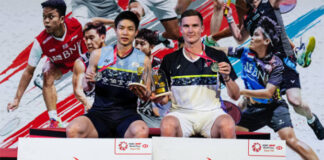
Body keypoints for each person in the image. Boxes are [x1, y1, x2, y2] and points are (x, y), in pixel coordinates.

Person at [217, 0, 324, 140]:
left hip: (283, 60)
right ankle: (229, 133)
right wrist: (229, 17)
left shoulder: (270, 3)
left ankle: (311, 119)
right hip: (264, 67)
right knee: (245, 102)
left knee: (295, 101)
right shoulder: (248, 19)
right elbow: (239, 37)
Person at [228, 17, 318, 160]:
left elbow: (268, 93)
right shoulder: (247, 52)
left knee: (291, 134)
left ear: (266, 41)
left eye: (256, 35)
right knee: (230, 135)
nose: (252, 37)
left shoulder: (275, 63)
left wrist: (241, 92)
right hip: (254, 107)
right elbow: (230, 44)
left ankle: (312, 121)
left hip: (275, 104)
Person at [156, 10, 240, 138]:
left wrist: (227, 78)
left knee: (228, 125)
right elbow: (162, 99)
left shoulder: (217, 56)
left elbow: (235, 96)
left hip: (212, 114)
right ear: (181, 29)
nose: (190, 30)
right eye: (186, 26)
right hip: (181, 114)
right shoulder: (169, 60)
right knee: (167, 124)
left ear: (202, 28)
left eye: (195, 26)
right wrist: (152, 95)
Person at [66, 11, 151, 138]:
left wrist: (143, 93)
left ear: (136, 32)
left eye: (130, 29)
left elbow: (147, 94)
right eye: (121, 28)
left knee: (141, 131)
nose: (125, 33)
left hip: (127, 116)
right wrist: (87, 83)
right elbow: (87, 88)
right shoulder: (98, 54)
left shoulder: (144, 60)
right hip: (99, 114)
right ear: (115, 30)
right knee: (73, 129)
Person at [7, 0, 88, 128]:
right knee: (47, 72)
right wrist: (17, 99)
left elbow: (97, 31)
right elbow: (28, 71)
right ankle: (54, 119)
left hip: (81, 61)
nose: (46, 21)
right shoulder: (40, 42)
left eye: (51, 17)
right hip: (60, 66)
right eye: (44, 17)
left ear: (62, 19)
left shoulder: (77, 24)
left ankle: (92, 110)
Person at [134, 28, 171, 128]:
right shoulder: (128, 64)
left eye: (142, 44)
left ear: (151, 46)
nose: (137, 47)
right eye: (136, 43)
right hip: (132, 111)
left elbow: (164, 99)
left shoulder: (159, 65)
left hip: (155, 114)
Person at [72, 22, 106, 112]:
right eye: (86, 39)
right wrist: (87, 102)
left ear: (102, 37)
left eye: (91, 38)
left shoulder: (116, 57)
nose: (88, 42)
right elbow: (77, 90)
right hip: (94, 106)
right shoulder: (80, 63)